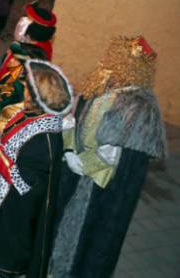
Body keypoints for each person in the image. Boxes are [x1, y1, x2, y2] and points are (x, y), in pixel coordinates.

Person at [49, 36, 167, 278]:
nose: (106, 58)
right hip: (75, 171)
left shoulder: (139, 106)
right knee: (61, 224)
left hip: (99, 185)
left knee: (86, 235)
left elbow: (115, 153)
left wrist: (84, 164)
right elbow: (75, 120)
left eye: (114, 56)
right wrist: (69, 151)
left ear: (127, 64)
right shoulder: (103, 85)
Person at [0, 59, 73, 278]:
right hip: (5, 189)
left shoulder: (45, 136)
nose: (24, 88)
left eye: (28, 87)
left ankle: (7, 271)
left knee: (11, 236)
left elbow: (24, 181)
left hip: (20, 200)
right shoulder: (30, 113)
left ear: (37, 96)